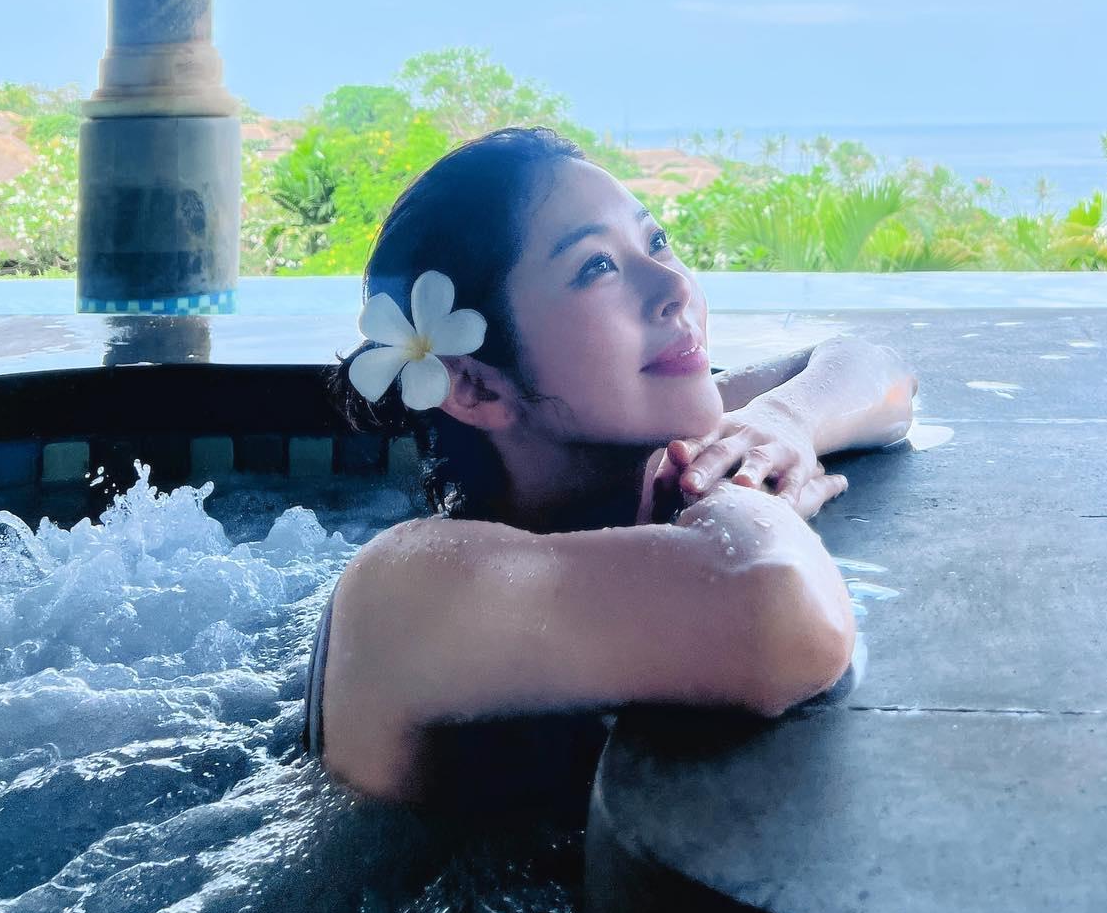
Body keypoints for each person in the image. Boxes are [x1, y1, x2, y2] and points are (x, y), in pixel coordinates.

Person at [303, 126, 918, 808]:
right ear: (476, 386)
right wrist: (741, 490)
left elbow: (877, 373)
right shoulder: (407, 591)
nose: (674, 286)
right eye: (596, 266)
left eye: (656, 242)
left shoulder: (656, 431)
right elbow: (781, 616)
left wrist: (785, 421)